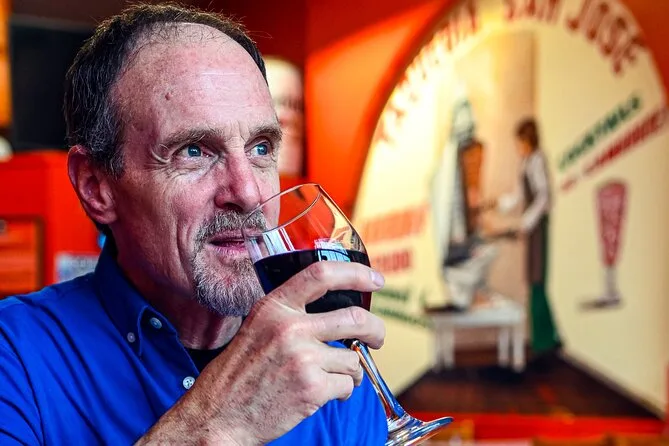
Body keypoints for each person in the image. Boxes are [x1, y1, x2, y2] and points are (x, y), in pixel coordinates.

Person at [0, 4, 388, 445]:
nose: (248, 193)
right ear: (96, 187)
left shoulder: (332, 369)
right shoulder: (15, 359)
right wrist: (216, 423)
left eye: (261, 148)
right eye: (194, 151)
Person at [498, 118, 561, 364]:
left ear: (529, 140)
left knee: (537, 281)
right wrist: (498, 204)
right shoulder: (525, 163)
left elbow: (544, 197)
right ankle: (548, 337)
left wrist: (525, 223)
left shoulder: (538, 160)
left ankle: (544, 343)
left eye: (520, 142)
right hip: (531, 226)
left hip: (538, 227)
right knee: (534, 281)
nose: (518, 147)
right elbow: (518, 195)